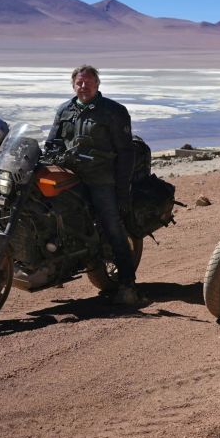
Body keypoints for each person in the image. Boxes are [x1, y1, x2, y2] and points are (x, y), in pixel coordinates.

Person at [45, 64, 143, 307]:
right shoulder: (65, 110)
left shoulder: (113, 111)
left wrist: (121, 190)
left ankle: (128, 284)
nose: (83, 86)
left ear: (98, 84)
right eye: (79, 82)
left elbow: (125, 152)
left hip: (101, 178)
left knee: (112, 225)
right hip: (69, 175)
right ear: (72, 84)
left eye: (88, 82)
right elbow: (52, 143)